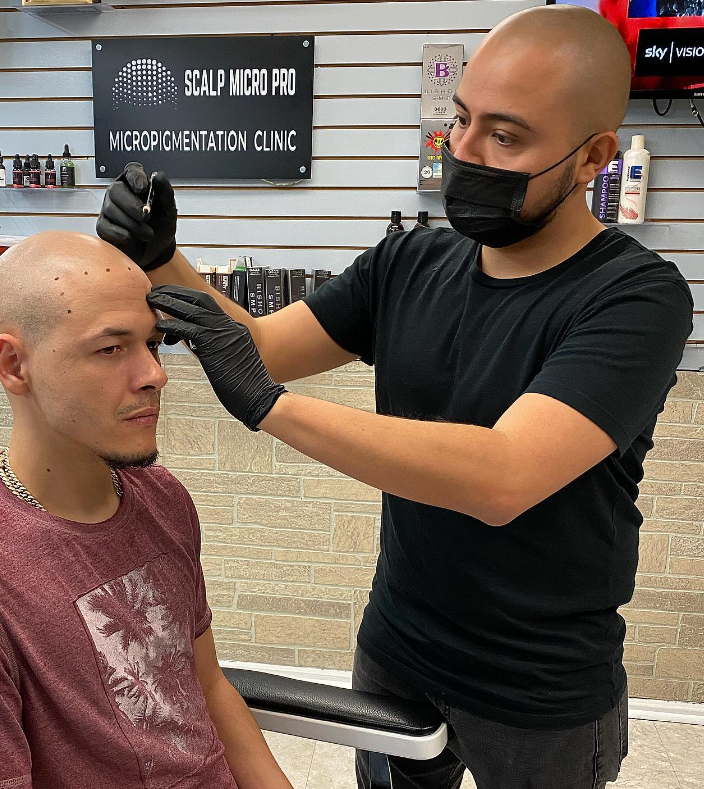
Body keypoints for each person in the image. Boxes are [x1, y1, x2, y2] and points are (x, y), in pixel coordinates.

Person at [96, 6, 694, 788]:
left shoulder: (635, 298)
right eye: (461, 121)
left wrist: (269, 407)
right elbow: (265, 347)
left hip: (539, 681)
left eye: (506, 137)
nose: (466, 152)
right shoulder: (410, 260)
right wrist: (164, 260)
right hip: (399, 640)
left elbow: (502, 476)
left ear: (593, 157)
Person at [0, 232, 294, 789]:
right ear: (14, 365)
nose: (155, 375)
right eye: (111, 349)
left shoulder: (163, 499)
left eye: (154, 345)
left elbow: (207, 686)